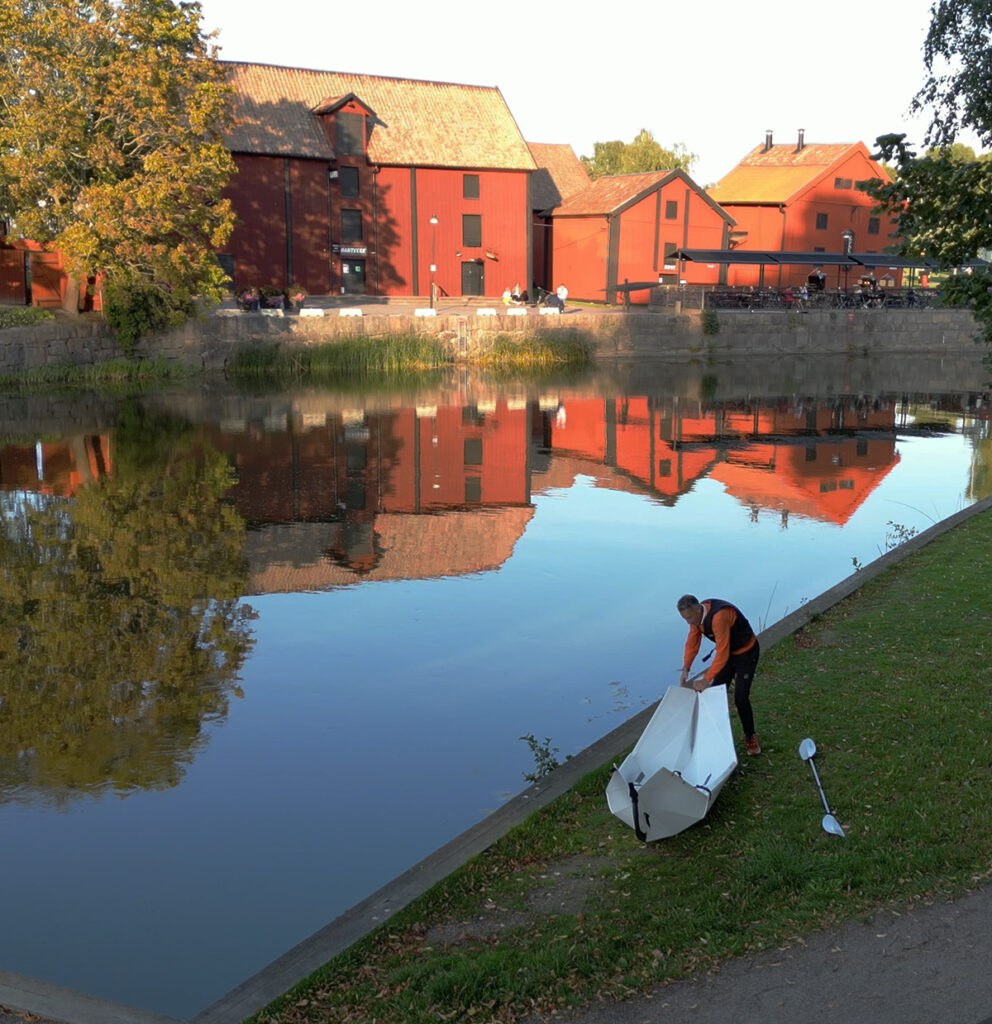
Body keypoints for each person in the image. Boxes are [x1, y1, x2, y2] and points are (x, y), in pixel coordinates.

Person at [677, 594, 761, 755]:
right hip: (729, 654)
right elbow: (692, 643)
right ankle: (715, 738)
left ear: (697, 609)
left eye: (688, 618)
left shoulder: (719, 617)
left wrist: (706, 679)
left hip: (746, 653)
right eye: (685, 619)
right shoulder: (696, 618)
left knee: (741, 697)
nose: (688, 622)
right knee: (714, 694)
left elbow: (721, 652)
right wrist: (686, 668)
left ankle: (750, 737)